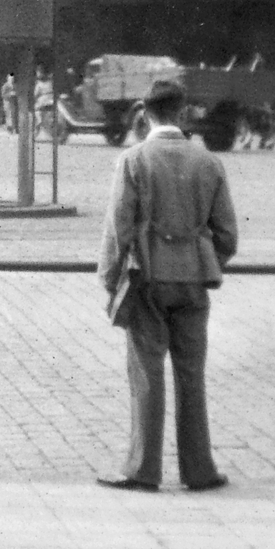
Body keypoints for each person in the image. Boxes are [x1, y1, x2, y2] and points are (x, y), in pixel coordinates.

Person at [95, 79, 237, 493]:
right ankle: (200, 470)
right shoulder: (208, 162)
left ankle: (143, 469)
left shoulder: (134, 160)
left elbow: (118, 229)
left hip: (148, 280)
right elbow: (227, 234)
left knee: (147, 373)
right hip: (194, 281)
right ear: (183, 111)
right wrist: (203, 257)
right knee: (191, 375)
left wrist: (110, 277)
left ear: (145, 113)